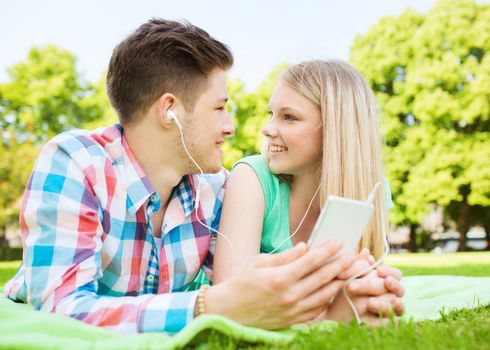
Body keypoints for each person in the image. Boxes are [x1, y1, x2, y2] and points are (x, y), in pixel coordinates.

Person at [3, 19, 403, 334]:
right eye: (220, 108)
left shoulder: (213, 188)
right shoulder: (75, 162)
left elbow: (248, 295)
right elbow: (61, 311)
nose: (231, 127)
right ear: (169, 112)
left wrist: (334, 301)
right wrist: (208, 306)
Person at [213, 59, 405, 323]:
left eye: (288, 117)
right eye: (272, 113)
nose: (267, 129)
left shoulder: (372, 188)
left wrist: (375, 287)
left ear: (334, 130)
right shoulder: (251, 176)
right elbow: (228, 296)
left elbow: (361, 277)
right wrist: (328, 316)